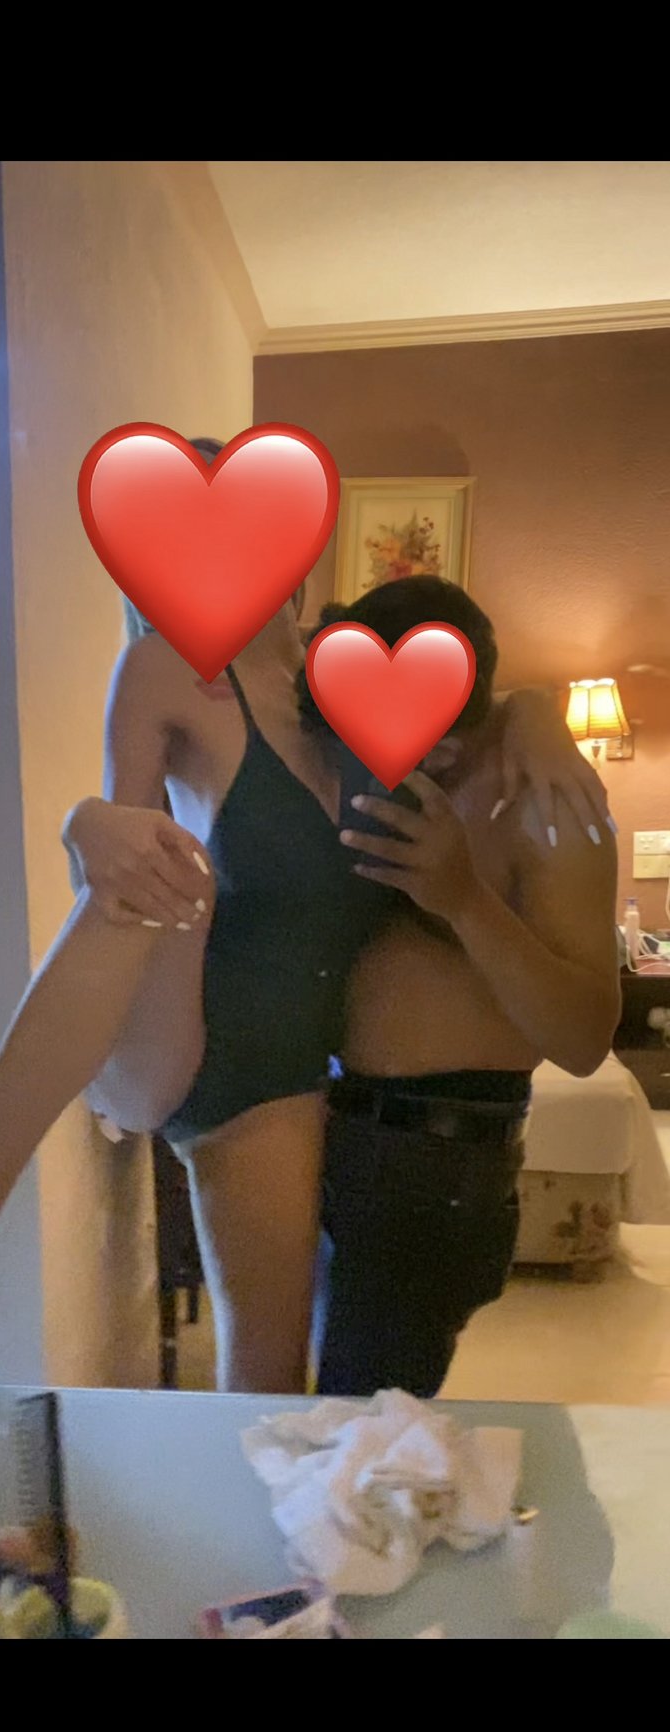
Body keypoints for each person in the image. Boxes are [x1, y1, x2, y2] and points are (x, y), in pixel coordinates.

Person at [0, 443, 612, 1452]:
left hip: (292, 1073)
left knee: (267, 1381)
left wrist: (535, 713)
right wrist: (86, 823)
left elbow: (477, 700)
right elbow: (119, 856)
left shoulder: (345, 688)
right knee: (167, 872)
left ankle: (265, 1550)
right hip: (187, 1042)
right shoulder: (167, 669)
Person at [294, 578, 621, 1397]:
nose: (421, 754)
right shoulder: (349, 767)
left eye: (445, 736)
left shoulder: (546, 802)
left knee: (364, 1432)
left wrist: (465, 899)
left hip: (433, 1161)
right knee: (320, 1417)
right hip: (326, 1126)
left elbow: (584, 1040)